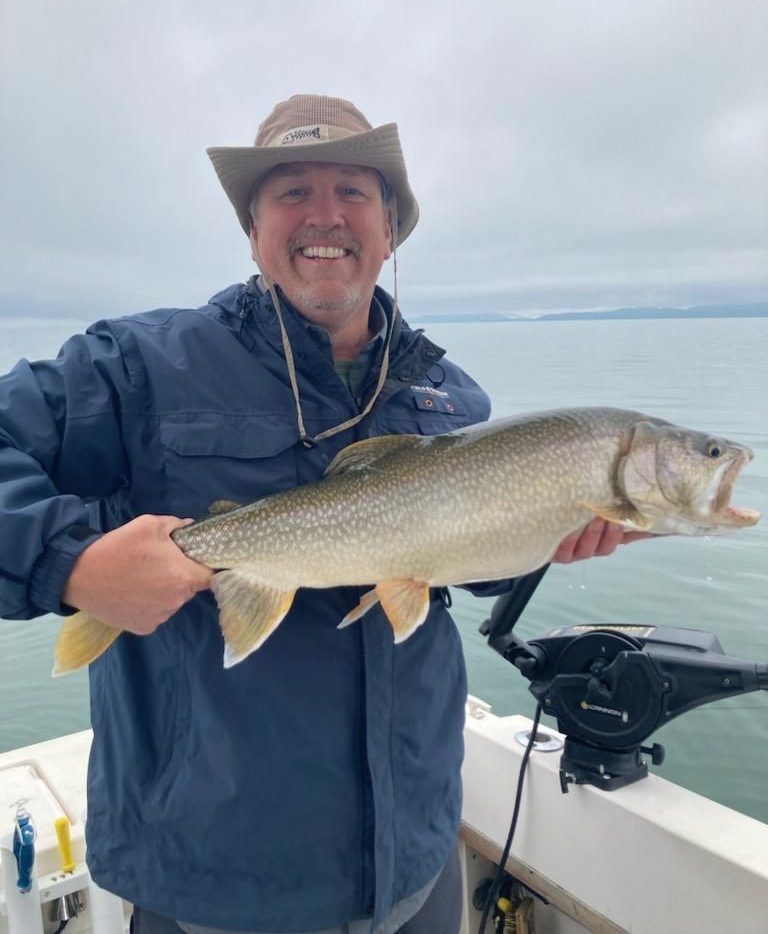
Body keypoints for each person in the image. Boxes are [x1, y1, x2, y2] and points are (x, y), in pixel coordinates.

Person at [0, 95, 636, 934]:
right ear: (253, 226)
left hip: (413, 862)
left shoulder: (446, 396)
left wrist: (538, 538)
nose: (325, 216)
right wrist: (73, 565)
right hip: (214, 884)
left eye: (354, 191)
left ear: (392, 224)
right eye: (292, 191)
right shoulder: (138, 365)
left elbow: (454, 562)